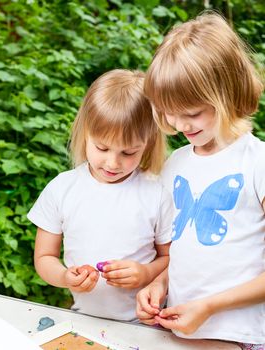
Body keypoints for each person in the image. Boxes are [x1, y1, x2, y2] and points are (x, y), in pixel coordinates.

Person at [136, 12, 265, 349]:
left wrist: (209, 306)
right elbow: (184, 248)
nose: (179, 125)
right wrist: (159, 284)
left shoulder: (258, 163)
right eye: (168, 112)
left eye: (191, 113)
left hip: (238, 335)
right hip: (183, 332)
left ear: (227, 93)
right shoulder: (177, 164)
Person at [27, 69, 174, 322]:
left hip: (145, 326)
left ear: (147, 144)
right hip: (83, 321)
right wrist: (65, 277)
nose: (113, 162)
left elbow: (172, 257)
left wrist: (146, 272)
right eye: (102, 147)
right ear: (85, 134)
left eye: (128, 152)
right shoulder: (63, 188)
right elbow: (44, 257)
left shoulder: (157, 192)